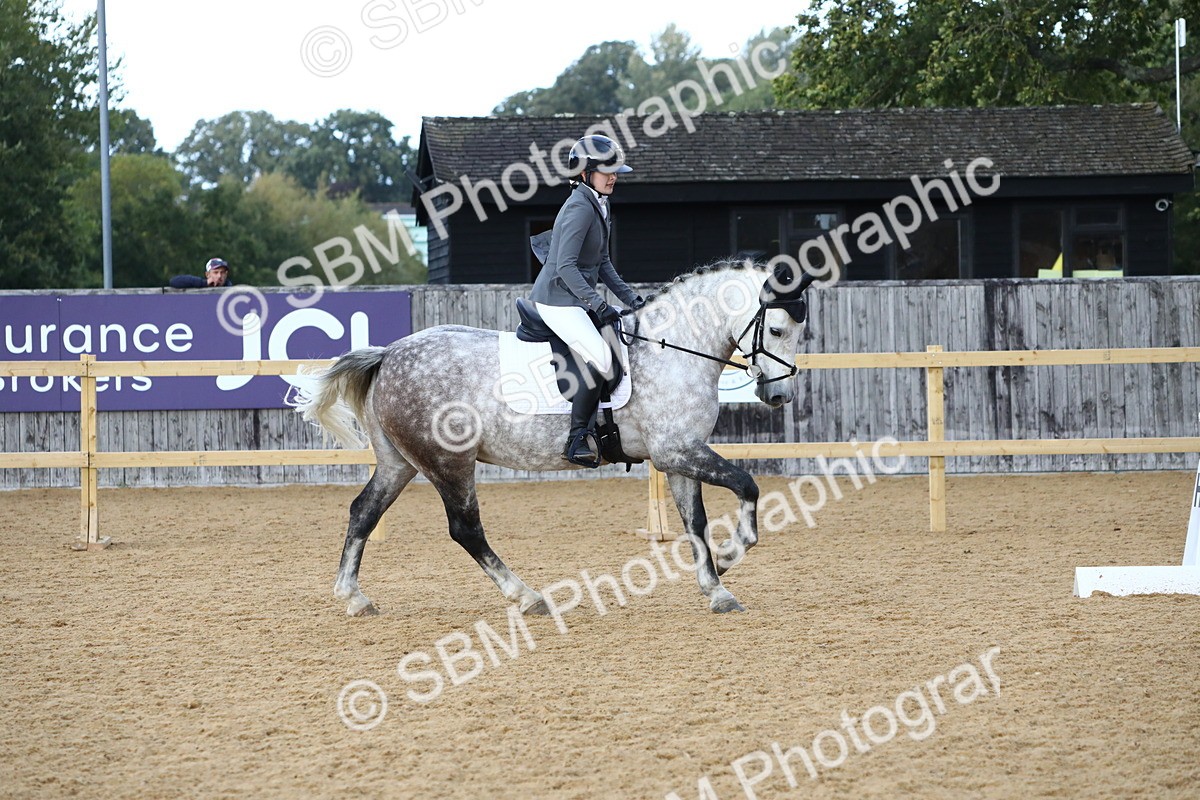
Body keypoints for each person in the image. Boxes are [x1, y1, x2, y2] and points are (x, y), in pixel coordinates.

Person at [527, 134, 645, 468]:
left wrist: (631, 298)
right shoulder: (580, 206)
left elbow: (602, 263)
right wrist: (597, 303)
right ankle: (576, 437)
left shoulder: (596, 202)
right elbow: (564, 266)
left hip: (573, 299)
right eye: (606, 170)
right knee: (601, 358)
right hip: (557, 301)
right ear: (584, 172)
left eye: (615, 170)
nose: (614, 176)